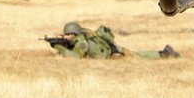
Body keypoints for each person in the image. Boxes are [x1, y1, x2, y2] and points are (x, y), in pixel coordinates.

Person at [44, 21, 179, 59]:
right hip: (111, 51)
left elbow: (75, 57)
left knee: (139, 57)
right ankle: (164, 53)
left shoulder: (82, 42)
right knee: (138, 55)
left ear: (75, 33)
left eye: (68, 35)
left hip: (114, 53)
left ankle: (164, 54)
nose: (66, 37)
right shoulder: (82, 37)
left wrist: (58, 46)